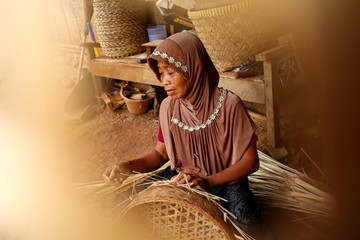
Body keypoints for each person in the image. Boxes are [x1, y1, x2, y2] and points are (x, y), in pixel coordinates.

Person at [103, 31, 261, 233]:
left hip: (225, 180)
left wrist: (207, 182)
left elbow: (250, 161)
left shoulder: (229, 105)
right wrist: (128, 166)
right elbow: (160, 154)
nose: (164, 80)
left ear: (194, 68)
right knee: (123, 201)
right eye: (161, 72)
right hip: (182, 177)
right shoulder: (168, 107)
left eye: (171, 72)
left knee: (246, 224)